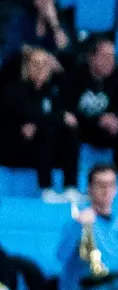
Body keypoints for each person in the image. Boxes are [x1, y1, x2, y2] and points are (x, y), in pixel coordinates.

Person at [3, 46, 77, 194]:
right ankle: (46, 188)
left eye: (45, 64)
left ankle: (70, 187)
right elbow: (29, 114)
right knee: (45, 131)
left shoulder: (51, 91)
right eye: (36, 64)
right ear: (27, 66)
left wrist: (47, 120)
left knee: (70, 131)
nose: (41, 68)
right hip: (17, 148)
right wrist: (57, 117)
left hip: (45, 149)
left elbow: (62, 115)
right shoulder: (15, 90)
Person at [69, 37, 118, 172]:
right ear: (91, 57)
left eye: (112, 57)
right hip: (81, 126)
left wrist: (115, 120)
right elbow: (70, 110)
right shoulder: (75, 76)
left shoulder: (116, 78)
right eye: (105, 56)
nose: (110, 61)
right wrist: (97, 120)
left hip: (102, 129)